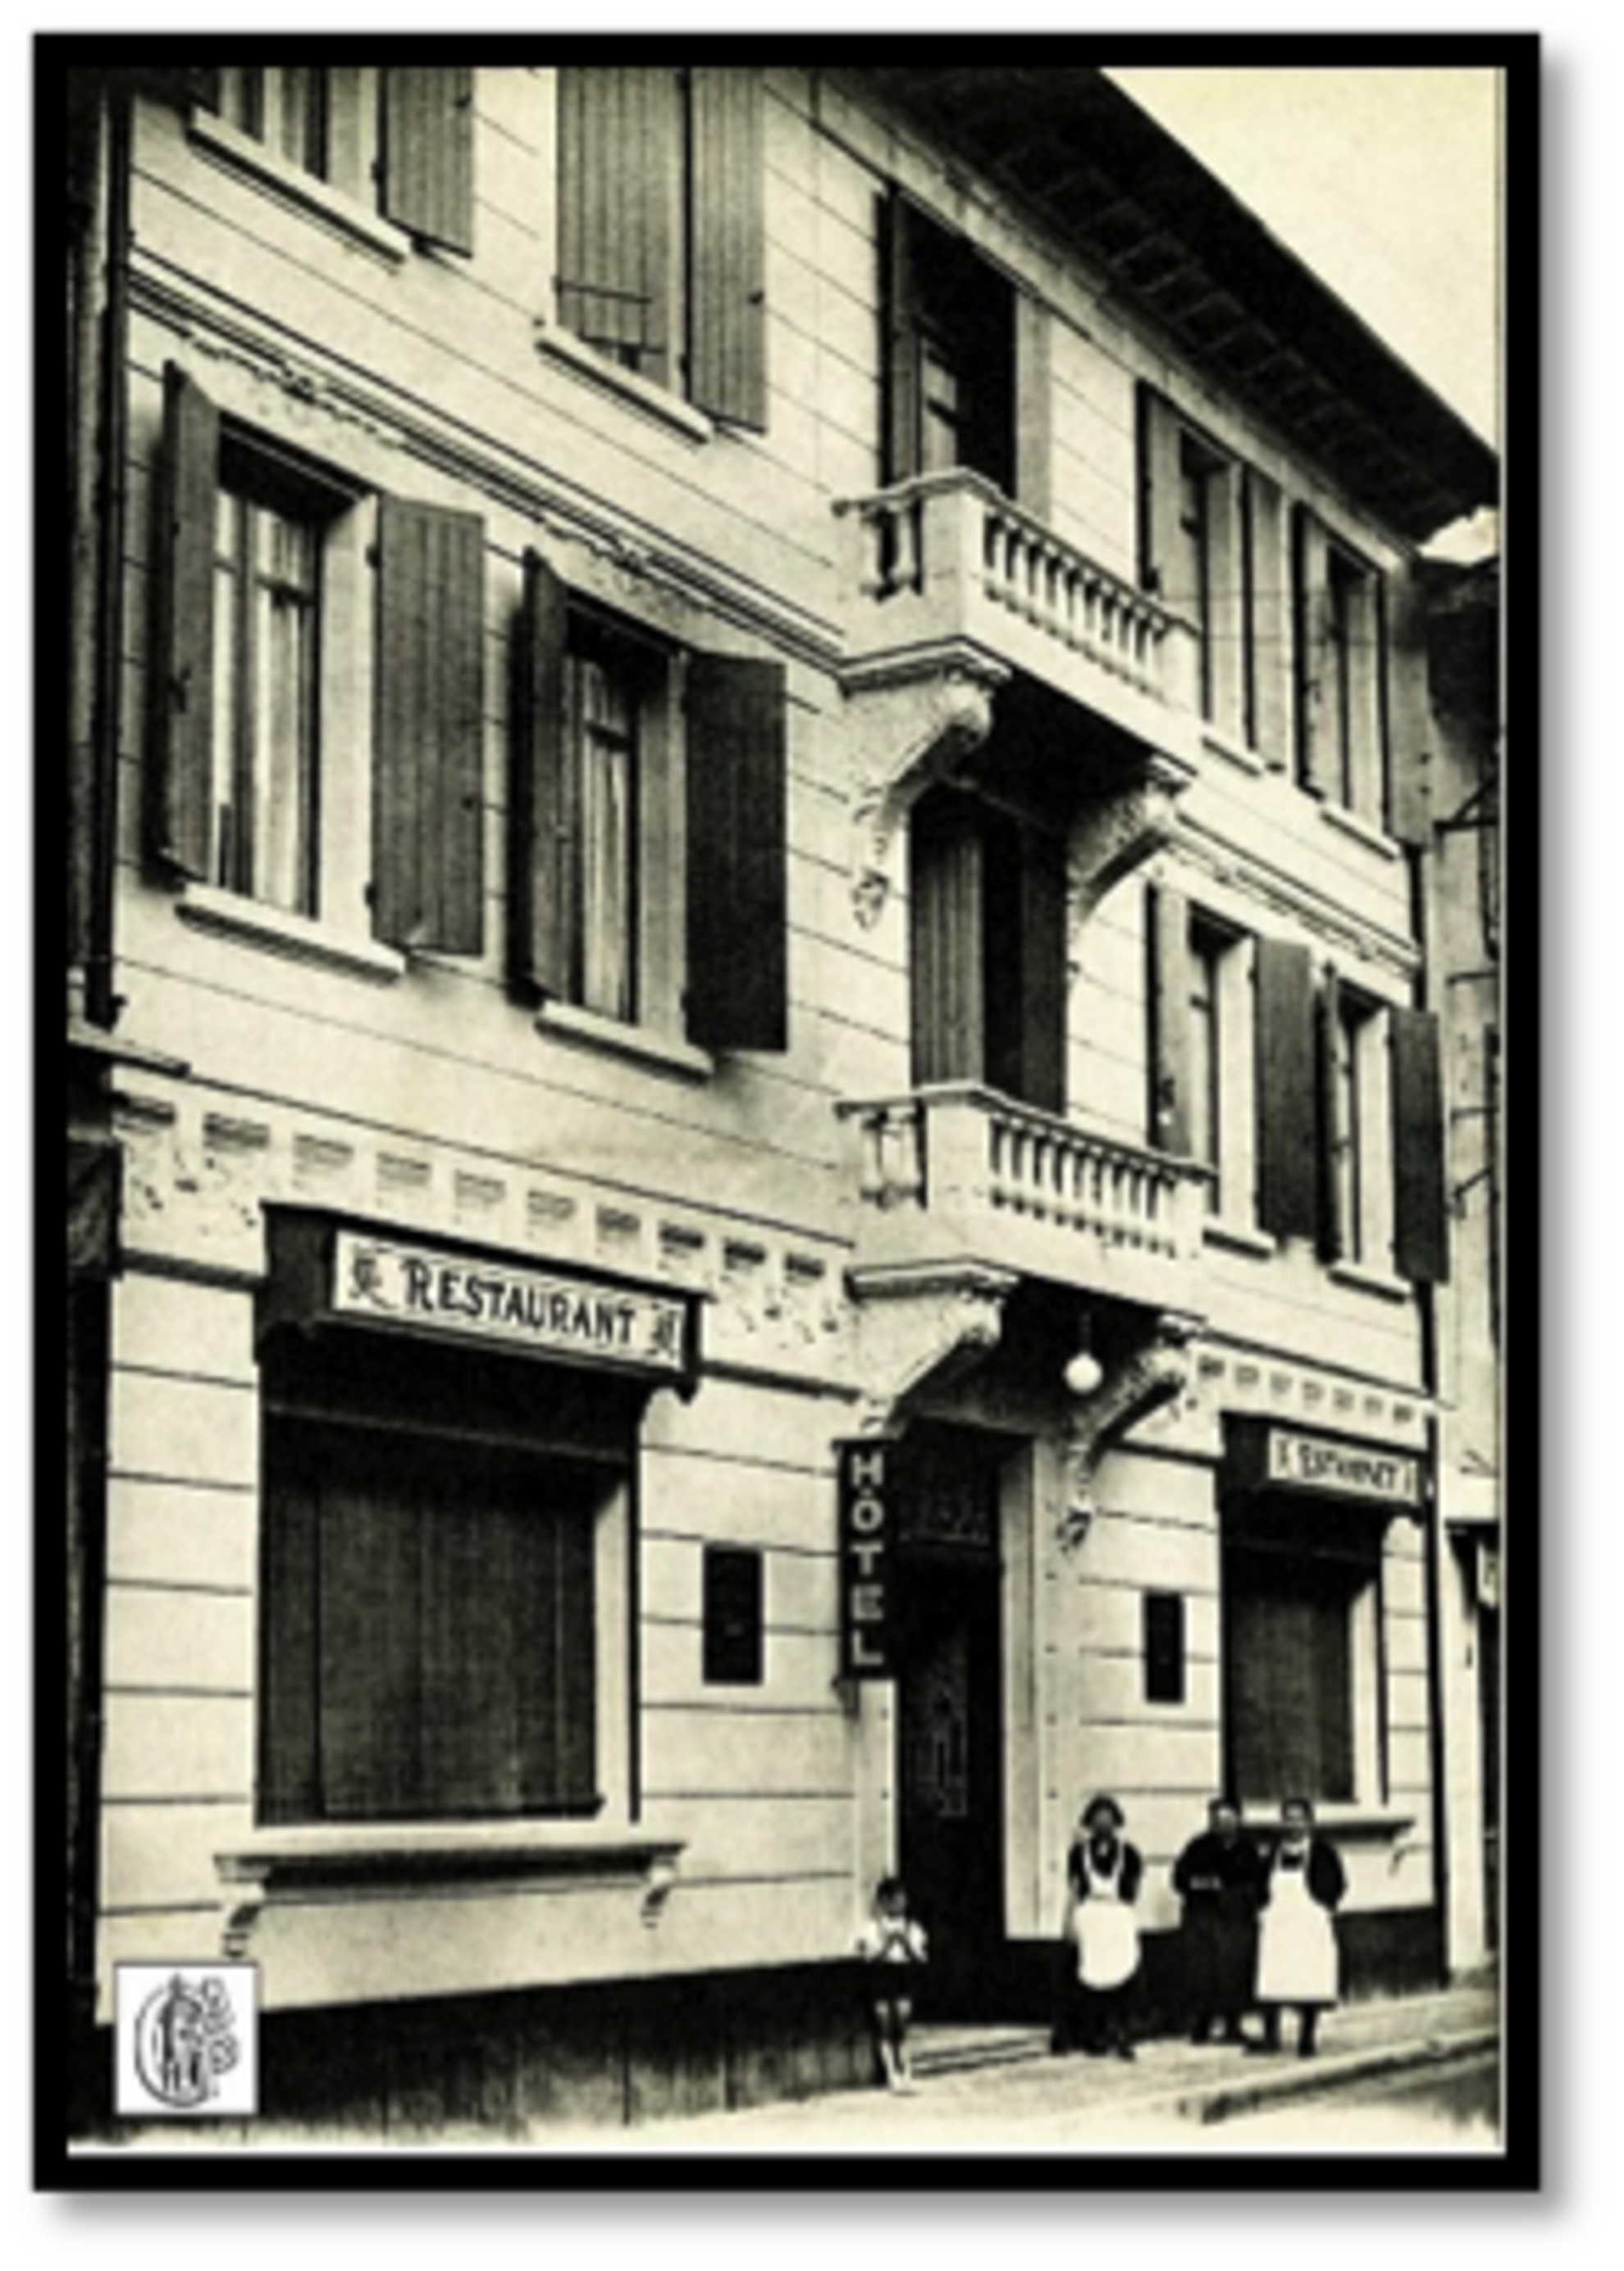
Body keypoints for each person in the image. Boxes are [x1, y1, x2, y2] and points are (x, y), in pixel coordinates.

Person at [1252, 1797, 1347, 2057]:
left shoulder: (1322, 1852)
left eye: (1299, 1819)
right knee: (1273, 1979)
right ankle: (1271, 2037)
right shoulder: (1273, 1853)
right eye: (1288, 1819)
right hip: (1278, 1923)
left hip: (1308, 1922)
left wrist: (1323, 1905)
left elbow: (1337, 1884)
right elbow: (1260, 1884)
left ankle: (1307, 2038)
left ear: (1310, 1822)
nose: (1293, 1825)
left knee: (1309, 1980)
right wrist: (1263, 1907)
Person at [1172, 1796, 1266, 2047]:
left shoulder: (1247, 1849)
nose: (1223, 1825)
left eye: (1228, 1819)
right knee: (1202, 1972)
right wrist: (1202, 1884)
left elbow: (1259, 1885)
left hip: (1235, 1920)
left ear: (1238, 1820)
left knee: (1233, 1971)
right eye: (1217, 1820)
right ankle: (1201, 2024)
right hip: (1203, 1919)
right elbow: (1180, 1879)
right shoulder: (1198, 1847)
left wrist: (1235, 1894)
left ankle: (1232, 2024)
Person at [1058, 1794, 1144, 2059]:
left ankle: (1121, 2033)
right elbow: (1073, 1889)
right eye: (1097, 1818)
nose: (1102, 1823)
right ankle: (1092, 2034)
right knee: (1089, 1976)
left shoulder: (1128, 1853)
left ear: (1116, 1821)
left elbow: (1133, 1889)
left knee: (1122, 1974)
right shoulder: (1079, 1853)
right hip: (1090, 1916)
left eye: (1107, 1817)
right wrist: (1068, 1921)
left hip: (1117, 1916)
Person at [855, 1876, 928, 2092]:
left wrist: (905, 1943)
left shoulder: (912, 1928)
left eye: (902, 1899)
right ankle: (891, 2074)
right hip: (881, 1976)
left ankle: (907, 2072)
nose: (900, 1904)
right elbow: (868, 1957)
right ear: (883, 1902)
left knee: (903, 2025)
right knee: (885, 2025)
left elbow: (922, 1957)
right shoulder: (872, 1928)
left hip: (902, 1975)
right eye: (895, 1899)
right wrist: (887, 1944)